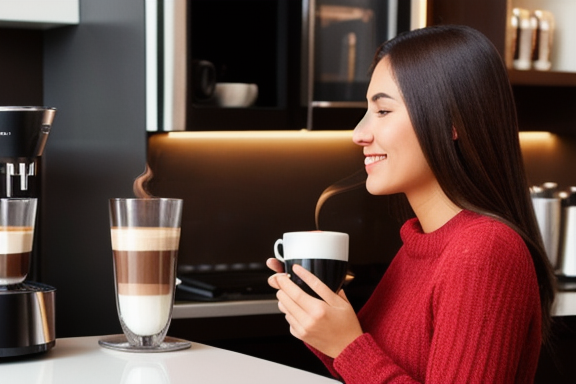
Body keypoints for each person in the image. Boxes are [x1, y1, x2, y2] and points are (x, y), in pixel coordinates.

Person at [267, 25, 556, 384]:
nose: (359, 133)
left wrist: (346, 346)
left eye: (383, 111)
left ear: (453, 122)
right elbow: (370, 370)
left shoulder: (484, 251)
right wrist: (319, 321)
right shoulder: (420, 246)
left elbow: (359, 359)